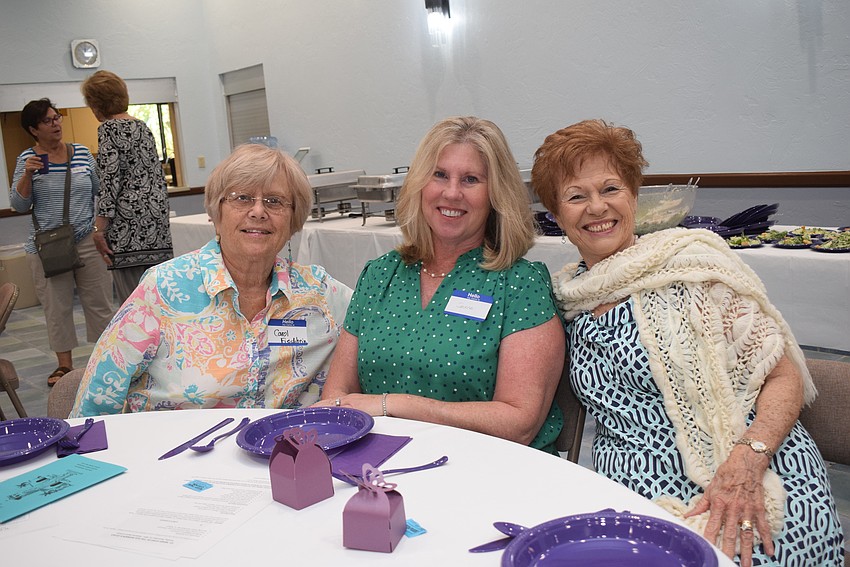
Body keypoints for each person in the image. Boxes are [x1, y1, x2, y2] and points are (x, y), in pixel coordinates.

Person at [531, 119, 844, 565]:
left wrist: (747, 459)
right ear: (557, 216)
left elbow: (784, 373)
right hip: (633, 490)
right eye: (576, 196)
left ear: (634, 196)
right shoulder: (569, 298)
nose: (597, 207)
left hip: (751, 466)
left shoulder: (692, 269)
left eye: (611, 189)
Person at [318, 116, 565, 453]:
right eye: (439, 175)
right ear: (419, 183)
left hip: (491, 474)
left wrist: (396, 405)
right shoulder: (379, 276)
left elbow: (518, 423)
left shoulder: (519, 285)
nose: (452, 192)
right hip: (379, 470)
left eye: (471, 179)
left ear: (496, 193)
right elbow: (335, 399)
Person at [70, 144, 352, 416]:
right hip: (176, 454)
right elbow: (98, 395)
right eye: (242, 198)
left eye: (274, 201)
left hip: (277, 454)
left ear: (294, 220)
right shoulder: (164, 288)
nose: (258, 211)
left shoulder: (319, 294)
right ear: (216, 212)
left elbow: (378, 321)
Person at [10, 98, 115, 387]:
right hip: (49, 245)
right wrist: (28, 175)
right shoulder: (25, 159)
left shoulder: (81, 154)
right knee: (56, 307)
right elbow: (19, 204)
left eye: (57, 118)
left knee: (100, 304)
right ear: (34, 129)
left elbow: (100, 190)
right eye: (48, 121)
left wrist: (99, 228)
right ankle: (64, 367)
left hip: (85, 240)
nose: (55, 124)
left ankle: (105, 360)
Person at [80, 70, 174, 305]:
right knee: (159, 301)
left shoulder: (109, 130)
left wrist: (98, 229)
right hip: (157, 230)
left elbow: (109, 183)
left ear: (97, 104)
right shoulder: (143, 128)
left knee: (133, 306)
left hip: (127, 233)